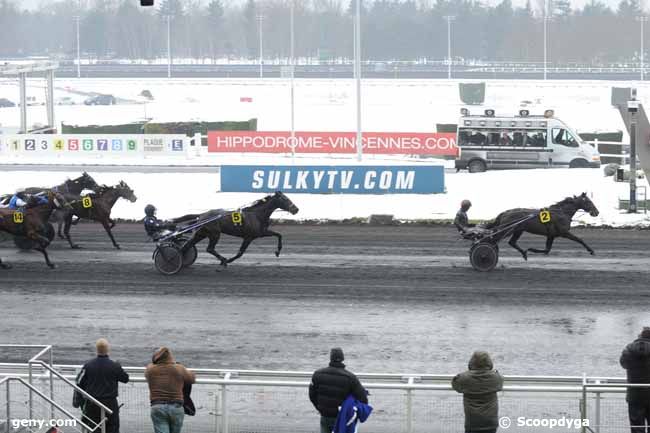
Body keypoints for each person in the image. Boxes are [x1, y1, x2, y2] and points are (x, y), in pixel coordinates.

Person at [309, 348, 369, 433]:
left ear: (330, 358)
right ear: (342, 358)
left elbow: (312, 395)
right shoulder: (350, 377)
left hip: (325, 415)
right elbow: (363, 398)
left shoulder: (317, 374)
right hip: (341, 417)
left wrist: (320, 408)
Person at [77, 338, 129, 433]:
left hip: (92, 403)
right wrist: (119, 367)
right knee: (112, 428)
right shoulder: (114, 365)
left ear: (96, 349)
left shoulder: (88, 365)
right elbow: (125, 379)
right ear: (108, 349)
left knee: (93, 428)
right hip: (110, 403)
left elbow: (79, 382)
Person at [145, 347, 196, 433]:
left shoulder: (150, 369)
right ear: (170, 357)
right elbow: (192, 379)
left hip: (157, 406)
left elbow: (148, 373)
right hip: (176, 406)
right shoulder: (179, 368)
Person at [452, 351, 504, 433]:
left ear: (472, 362)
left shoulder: (464, 378)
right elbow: (500, 383)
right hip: (490, 422)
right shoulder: (495, 377)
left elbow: (455, 385)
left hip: (472, 422)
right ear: (489, 362)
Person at [620, 327, 650, 433]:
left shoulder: (629, 349)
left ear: (640, 336)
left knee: (637, 427)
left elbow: (623, 364)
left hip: (635, 394)